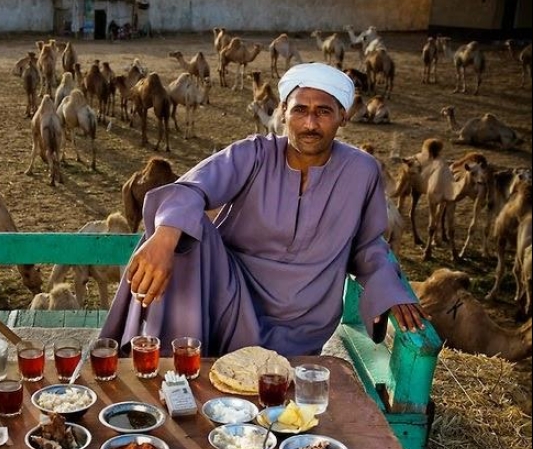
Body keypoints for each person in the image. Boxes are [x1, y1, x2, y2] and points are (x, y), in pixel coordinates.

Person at [100, 62, 426, 358]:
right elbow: (192, 188)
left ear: (343, 116)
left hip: (304, 319)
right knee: (182, 230)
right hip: (233, 299)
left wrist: (390, 290)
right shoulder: (254, 154)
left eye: (323, 112)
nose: (310, 123)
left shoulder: (362, 171)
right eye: (300, 110)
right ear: (283, 112)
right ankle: (173, 365)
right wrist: (165, 238)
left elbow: (369, 245)